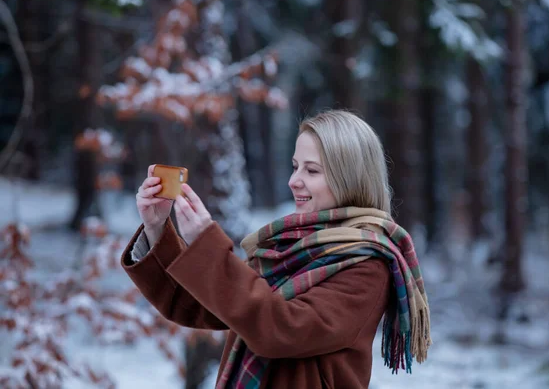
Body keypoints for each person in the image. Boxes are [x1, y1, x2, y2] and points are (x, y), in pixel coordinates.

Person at [121, 109, 432, 388]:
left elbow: (278, 329)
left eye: (312, 171)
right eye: (295, 166)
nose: (293, 180)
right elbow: (199, 305)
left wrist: (206, 244)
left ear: (349, 178)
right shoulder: (289, 249)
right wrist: (157, 228)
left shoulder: (367, 265)